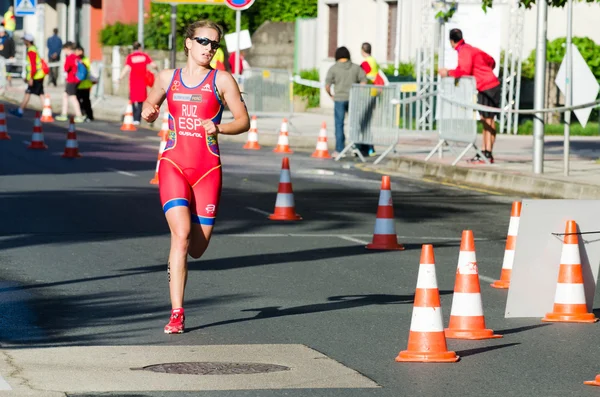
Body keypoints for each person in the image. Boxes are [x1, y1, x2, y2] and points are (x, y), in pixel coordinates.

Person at [141, 20, 250, 334]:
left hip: (208, 171)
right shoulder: (167, 78)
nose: (209, 48)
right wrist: (148, 111)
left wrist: (220, 127)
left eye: (214, 44)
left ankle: (191, 216)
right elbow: (149, 105)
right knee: (181, 235)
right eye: (203, 41)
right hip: (174, 164)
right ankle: (177, 313)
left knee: (197, 248)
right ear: (188, 43)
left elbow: (243, 121)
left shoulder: (222, 80)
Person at [438, 28, 501, 164]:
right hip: (493, 84)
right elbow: (491, 61)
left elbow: (464, 70)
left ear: (451, 41)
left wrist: (447, 73)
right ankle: (485, 152)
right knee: (489, 120)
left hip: (485, 86)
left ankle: (487, 154)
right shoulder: (472, 49)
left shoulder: (464, 51)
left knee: (487, 121)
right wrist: (485, 70)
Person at [325, 46, 367, 158]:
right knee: (355, 123)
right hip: (353, 99)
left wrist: (331, 95)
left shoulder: (333, 68)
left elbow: (327, 85)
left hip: (339, 99)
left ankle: (339, 149)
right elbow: (364, 80)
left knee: (339, 124)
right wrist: (360, 92)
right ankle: (356, 147)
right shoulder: (355, 68)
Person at [120, 42, 157, 125]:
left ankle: (134, 117)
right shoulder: (144, 56)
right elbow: (153, 65)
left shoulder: (130, 57)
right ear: (140, 48)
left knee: (133, 99)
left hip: (133, 81)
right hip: (142, 81)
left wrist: (120, 77)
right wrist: (157, 69)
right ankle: (138, 118)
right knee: (141, 100)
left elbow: (126, 68)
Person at [9, 34, 46, 118]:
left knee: (28, 93)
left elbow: (33, 66)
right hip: (38, 75)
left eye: (25, 40)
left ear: (28, 41)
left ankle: (20, 110)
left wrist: (31, 78)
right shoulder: (33, 49)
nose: (24, 42)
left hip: (36, 76)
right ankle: (46, 110)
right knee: (40, 93)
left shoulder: (31, 51)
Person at [358, 42, 384, 157]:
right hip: (374, 91)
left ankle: (368, 147)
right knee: (366, 122)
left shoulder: (366, 63)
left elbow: (361, 76)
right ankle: (368, 147)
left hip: (368, 92)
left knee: (364, 122)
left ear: (362, 51)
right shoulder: (374, 61)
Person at [55, 42, 85, 122]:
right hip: (76, 80)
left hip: (71, 80)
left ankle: (79, 115)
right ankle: (64, 113)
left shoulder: (70, 57)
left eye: (64, 50)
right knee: (65, 95)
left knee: (72, 97)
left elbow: (66, 68)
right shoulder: (76, 57)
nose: (64, 51)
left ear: (68, 49)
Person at [75, 45, 94, 122]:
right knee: (78, 100)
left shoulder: (86, 59)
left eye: (80, 51)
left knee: (86, 101)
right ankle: (82, 114)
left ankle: (89, 115)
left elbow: (87, 68)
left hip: (85, 84)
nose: (78, 53)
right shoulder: (76, 59)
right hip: (78, 84)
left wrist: (82, 63)